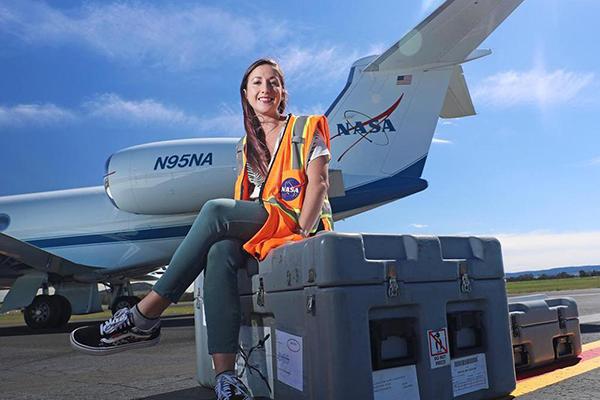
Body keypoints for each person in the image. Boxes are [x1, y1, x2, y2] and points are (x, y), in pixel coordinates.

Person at [70, 58, 333, 400]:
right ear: (246, 93)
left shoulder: (305, 127)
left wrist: (301, 232)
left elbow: (319, 183)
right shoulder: (245, 147)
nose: (265, 89)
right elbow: (252, 198)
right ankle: (226, 377)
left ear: (283, 92)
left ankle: (144, 316)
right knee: (219, 251)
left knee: (215, 210)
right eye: (257, 83)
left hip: (295, 224)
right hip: (265, 229)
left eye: (273, 83)